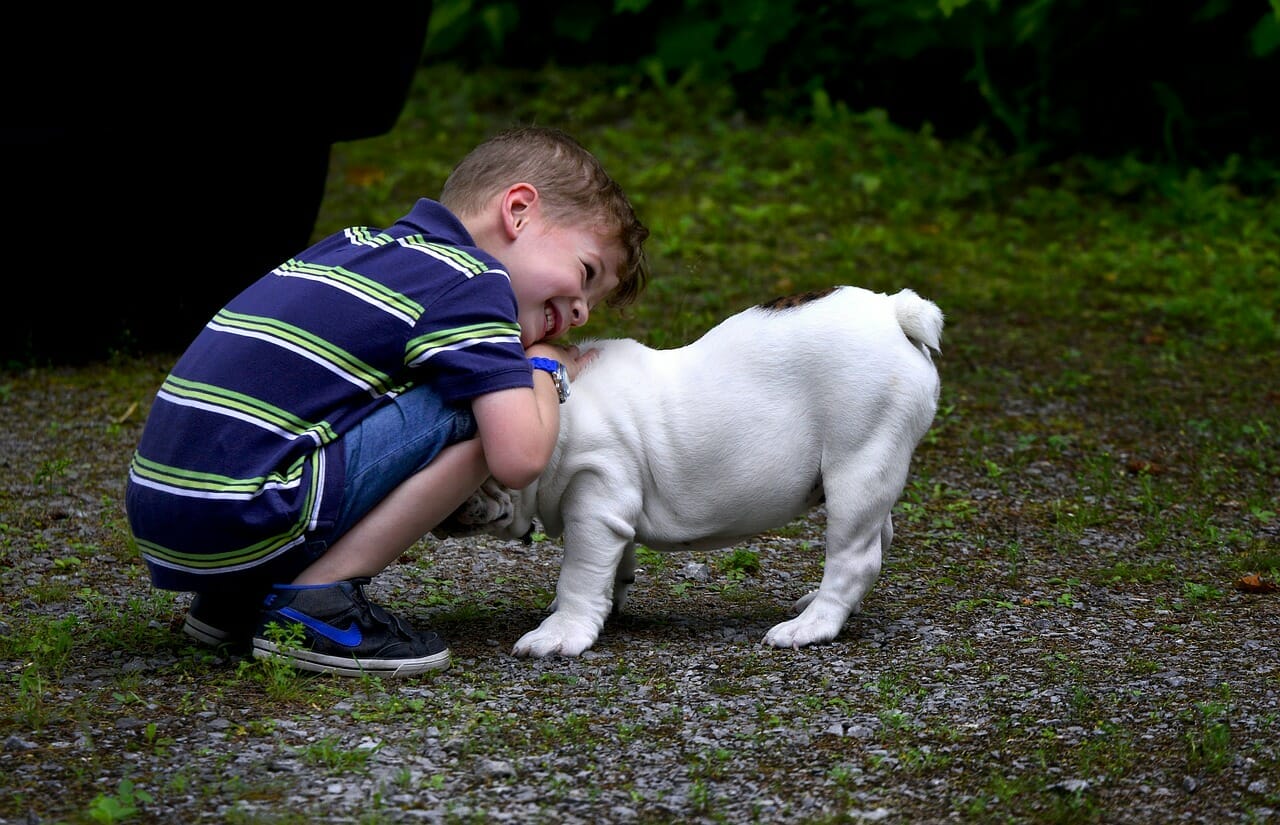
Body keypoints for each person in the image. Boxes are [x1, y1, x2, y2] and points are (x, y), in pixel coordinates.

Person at [125, 126, 650, 678]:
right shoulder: (473, 283)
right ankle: (316, 605)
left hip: (170, 514)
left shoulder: (353, 247)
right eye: (586, 274)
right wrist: (542, 368)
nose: (584, 314)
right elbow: (518, 459)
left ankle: (237, 600)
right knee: (480, 400)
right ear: (517, 210)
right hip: (247, 510)